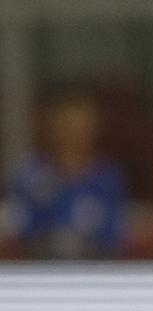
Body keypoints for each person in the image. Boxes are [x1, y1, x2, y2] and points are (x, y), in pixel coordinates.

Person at [5, 86, 128, 259]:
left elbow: (114, 237)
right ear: (51, 125)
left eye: (80, 124)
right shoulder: (28, 175)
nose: (72, 133)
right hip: (39, 272)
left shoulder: (107, 177)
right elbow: (20, 234)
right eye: (65, 124)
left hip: (94, 273)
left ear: (92, 127)